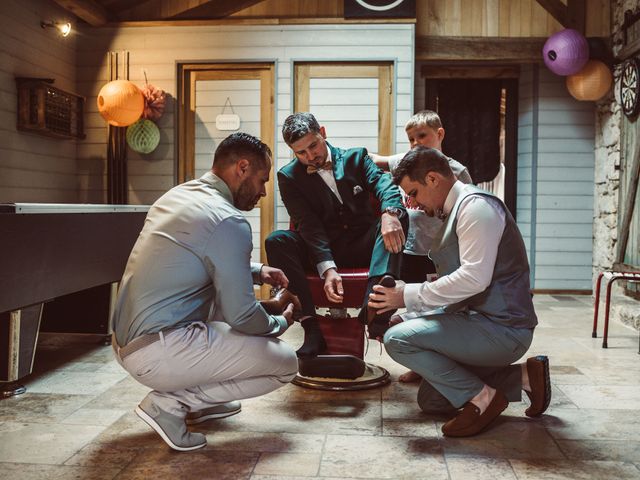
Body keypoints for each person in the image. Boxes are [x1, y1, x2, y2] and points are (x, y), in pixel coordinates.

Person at [111, 132, 298, 452]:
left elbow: (197, 253)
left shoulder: (179, 195)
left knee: (222, 304)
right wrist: (281, 323)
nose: (264, 192)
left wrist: (257, 271)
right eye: (262, 180)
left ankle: (200, 405)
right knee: (285, 364)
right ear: (242, 167)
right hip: (157, 353)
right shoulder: (229, 220)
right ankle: (171, 405)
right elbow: (243, 318)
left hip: (125, 342)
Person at [369, 147, 550, 437]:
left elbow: (473, 279)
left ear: (432, 179)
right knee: (433, 400)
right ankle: (526, 377)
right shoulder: (456, 210)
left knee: (398, 341)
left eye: (413, 193)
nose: (412, 203)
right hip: (478, 320)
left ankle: (484, 400)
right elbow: (457, 290)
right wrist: (409, 315)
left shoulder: (476, 208)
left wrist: (405, 295)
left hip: (504, 329)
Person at [265, 112, 408, 357]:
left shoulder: (356, 157)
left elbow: (385, 185)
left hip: (364, 245)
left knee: (399, 216)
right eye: (301, 153)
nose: (311, 157)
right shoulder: (288, 176)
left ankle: (375, 307)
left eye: (313, 145)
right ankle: (311, 329)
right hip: (323, 248)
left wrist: (390, 213)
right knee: (277, 241)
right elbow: (308, 224)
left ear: (322, 132)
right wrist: (327, 267)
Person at [372, 110, 472, 383]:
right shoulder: (404, 162)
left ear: (439, 135)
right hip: (410, 249)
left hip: (438, 253)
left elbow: (463, 212)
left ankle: (442, 361)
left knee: (436, 308)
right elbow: (372, 160)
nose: (416, 143)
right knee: (415, 307)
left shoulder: (456, 170)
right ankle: (420, 362)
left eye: (422, 136)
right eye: (411, 139)